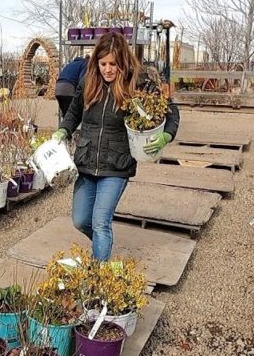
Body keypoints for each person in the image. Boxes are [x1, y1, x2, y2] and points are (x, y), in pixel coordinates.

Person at [52, 32, 179, 262]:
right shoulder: (88, 81)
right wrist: (63, 130)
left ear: (123, 62)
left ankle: (99, 277)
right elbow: (73, 113)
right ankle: (103, 244)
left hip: (117, 165)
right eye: (103, 64)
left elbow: (171, 111)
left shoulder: (137, 83)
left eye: (113, 64)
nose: (108, 69)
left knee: (101, 222)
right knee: (80, 220)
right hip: (87, 161)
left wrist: (165, 136)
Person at [55, 54, 88, 119]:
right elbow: (81, 80)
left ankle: (64, 128)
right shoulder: (85, 64)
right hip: (69, 88)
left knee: (66, 115)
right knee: (72, 114)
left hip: (58, 88)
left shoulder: (71, 64)